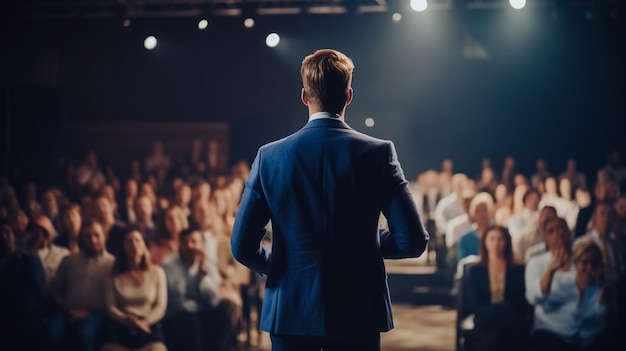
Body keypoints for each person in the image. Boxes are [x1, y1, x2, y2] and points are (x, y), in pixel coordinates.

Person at [230, 49, 429, 351]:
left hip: (290, 309)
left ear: (304, 96)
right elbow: (412, 241)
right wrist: (363, 241)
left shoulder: (269, 157)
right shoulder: (378, 153)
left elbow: (241, 246)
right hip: (358, 308)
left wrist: (286, 264)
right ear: (349, 95)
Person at [162, 229, 239, 351]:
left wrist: (202, 274)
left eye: (194, 241)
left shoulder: (207, 265)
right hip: (179, 317)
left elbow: (214, 299)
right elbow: (177, 299)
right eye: (185, 242)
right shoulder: (168, 266)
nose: (189, 246)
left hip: (203, 313)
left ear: (201, 245)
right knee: (190, 319)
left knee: (225, 309)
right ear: (179, 245)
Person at [48, 219, 115, 351]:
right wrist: (66, 308)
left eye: (97, 235)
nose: (93, 240)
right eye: (88, 236)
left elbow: (113, 298)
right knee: (51, 333)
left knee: (85, 334)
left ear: (104, 237)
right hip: (66, 311)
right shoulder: (69, 260)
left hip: (95, 313)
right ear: (82, 239)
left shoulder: (113, 264)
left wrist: (87, 312)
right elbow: (54, 290)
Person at [101, 227, 167, 351]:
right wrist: (127, 319)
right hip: (121, 329)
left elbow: (160, 306)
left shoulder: (157, 272)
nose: (134, 245)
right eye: (129, 241)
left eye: (138, 240)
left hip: (149, 328)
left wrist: (145, 322)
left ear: (144, 245)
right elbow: (111, 308)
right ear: (123, 247)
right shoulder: (113, 276)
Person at [466, 225, 531, 351]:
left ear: (507, 242)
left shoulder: (518, 269)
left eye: (501, 239)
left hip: (511, 315)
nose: (496, 243)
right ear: (485, 242)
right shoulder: (475, 270)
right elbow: (475, 303)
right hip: (484, 315)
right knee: (503, 308)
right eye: (492, 239)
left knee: (504, 321)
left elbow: (521, 300)